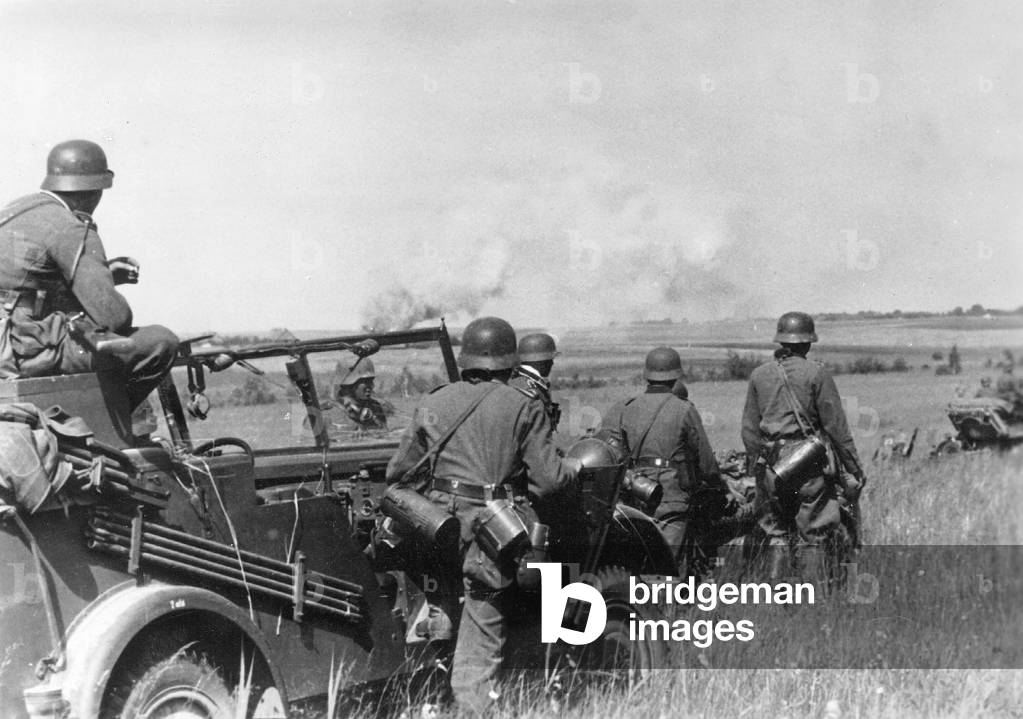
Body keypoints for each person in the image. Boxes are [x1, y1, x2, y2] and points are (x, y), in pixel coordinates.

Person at [386, 316, 580, 715]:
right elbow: (549, 482)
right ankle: (474, 706)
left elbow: (399, 474)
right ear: (511, 361)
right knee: (485, 621)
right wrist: (573, 469)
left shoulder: (433, 401)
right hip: (492, 534)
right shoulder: (522, 406)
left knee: (452, 610)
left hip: (436, 527)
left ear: (466, 358)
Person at [0, 139, 178, 410]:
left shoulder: (16, 212)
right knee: (160, 341)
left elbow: (23, 285)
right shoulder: (72, 229)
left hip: (9, 344)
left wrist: (101, 274)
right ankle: (107, 429)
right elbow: (114, 318)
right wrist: (101, 280)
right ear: (96, 190)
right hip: (23, 352)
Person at [741, 311, 866, 579]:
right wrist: (854, 468)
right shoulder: (817, 373)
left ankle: (776, 601)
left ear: (780, 340)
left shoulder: (759, 375)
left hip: (773, 465)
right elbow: (836, 427)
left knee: (776, 532)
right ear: (808, 342)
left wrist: (760, 467)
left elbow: (750, 431)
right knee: (814, 532)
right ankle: (812, 603)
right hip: (809, 464)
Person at [600, 346, 724, 570]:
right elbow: (706, 462)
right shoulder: (684, 409)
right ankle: (668, 605)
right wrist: (718, 487)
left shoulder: (627, 408)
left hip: (636, 492)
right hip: (671, 495)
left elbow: (613, 450)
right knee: (668, 566)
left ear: (647, 375)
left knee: (641, 560)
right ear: (676, 376)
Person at [509, 332, 561, 431]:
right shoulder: (529, 388)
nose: (552, 363)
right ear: (542, 361)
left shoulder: (521, 381)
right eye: (550, 359)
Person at [332, 358, 388, 431]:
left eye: (371, 381)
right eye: (365, 381)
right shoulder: (335, 410)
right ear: (349, 385)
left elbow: (384, 432)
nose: (371, 386)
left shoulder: (375, 407)